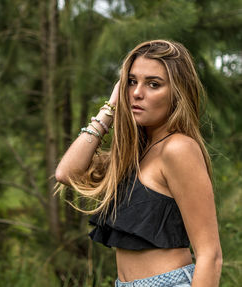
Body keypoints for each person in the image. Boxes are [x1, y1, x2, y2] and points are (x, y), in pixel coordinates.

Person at [55, 40, 222, 287]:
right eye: (132, 81)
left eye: (153, 84)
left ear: (178, 92)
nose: (136, 93)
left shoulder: (178, 148)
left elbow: (211, 255)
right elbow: (67, 173)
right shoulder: (135, 153)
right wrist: (110, 108)